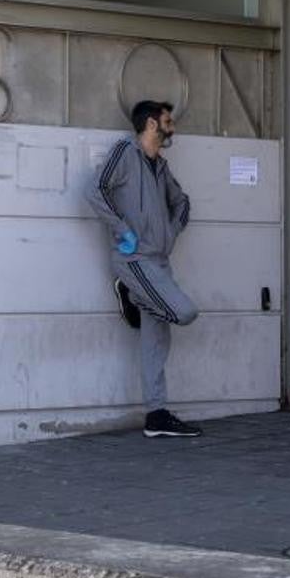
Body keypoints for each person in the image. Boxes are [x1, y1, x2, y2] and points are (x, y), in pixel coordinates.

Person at [87, 100, 201, 437]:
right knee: (184, 312)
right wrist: (123, 230)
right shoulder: (125, 153)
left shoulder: (161, 168)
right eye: (168, 121)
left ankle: (156, 415)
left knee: (156, 343)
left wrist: (172, 230)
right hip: (134, 260)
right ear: (152, 124)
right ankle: (132, 294)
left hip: (159, 261)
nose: (172, 127)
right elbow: (94, 190)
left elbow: (182, 202)